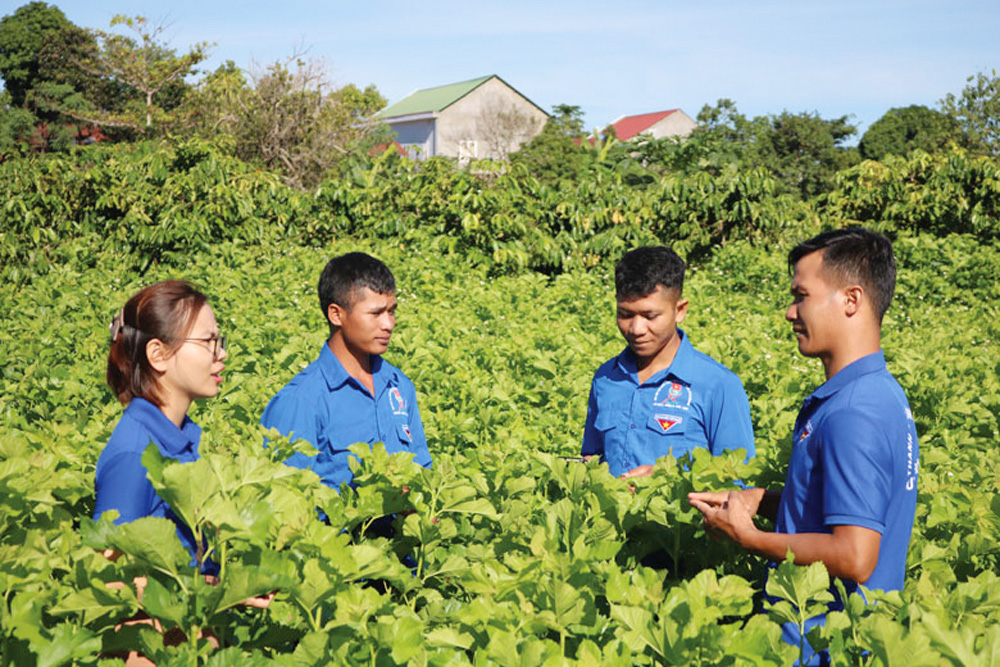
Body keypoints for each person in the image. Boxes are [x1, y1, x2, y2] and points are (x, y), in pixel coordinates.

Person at [689, 228, 919, 664]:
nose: (790, 312)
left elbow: (855, 556)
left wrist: (750, 538)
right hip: (852, 638)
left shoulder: (854, 411)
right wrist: (764, 500)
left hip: (823, 647)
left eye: (801, 295)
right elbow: (848, 509)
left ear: (851, 300)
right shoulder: (877, 393)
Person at [261, 252, 432, 490]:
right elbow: (283, 499)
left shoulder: (399, 386)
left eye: (391, 311)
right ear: (336, 314)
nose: (388, 324)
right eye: (376, 313)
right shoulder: (300, 400)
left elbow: (423, 470)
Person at [581, 246, 754, 478]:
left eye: (650, 316)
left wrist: (668, 478)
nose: (636, 329)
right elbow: (592, 457)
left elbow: (739, 481)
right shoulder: (606, 378)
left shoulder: (718, 385)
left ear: (680, 310)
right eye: (625, 315)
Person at [96, 279, 227, 570]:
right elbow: (107, 579)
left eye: (220, 341)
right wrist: (210, 590)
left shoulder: (179, 435)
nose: (221, 354)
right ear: (158, 354)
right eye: (208, 342)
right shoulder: (134, 455)